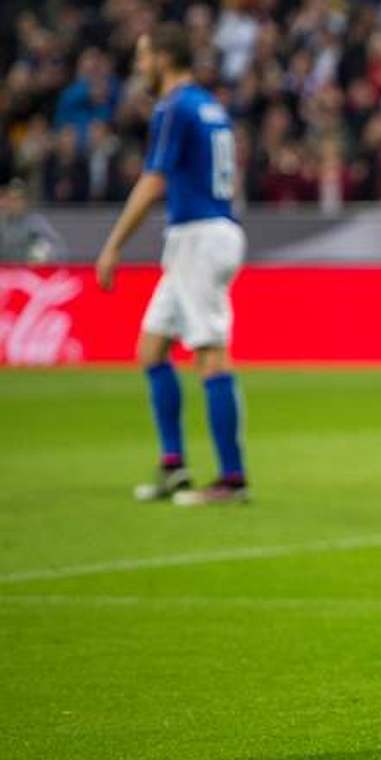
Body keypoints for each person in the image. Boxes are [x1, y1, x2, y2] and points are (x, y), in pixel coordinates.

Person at [94, 24, 249, 506]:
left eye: (143, 57)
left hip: (198, 235)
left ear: (163, 57)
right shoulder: (209, 104)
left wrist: (113, 244)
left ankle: (231, 479)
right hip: (209, 230)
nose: (139, 66)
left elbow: (154, 181)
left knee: (210, 354)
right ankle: (173, 466)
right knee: (152, 348)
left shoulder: (174, 106)